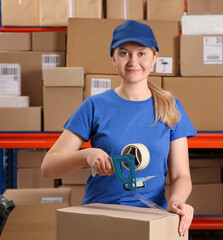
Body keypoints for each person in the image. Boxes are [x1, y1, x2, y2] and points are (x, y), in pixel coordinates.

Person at [41, 20, 197, 237]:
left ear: (155, 58)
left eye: (141, 53)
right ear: (113, 59)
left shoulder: (170, 108)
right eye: (124, 53)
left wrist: (177, 201)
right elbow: (49, 167)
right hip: (101, 219)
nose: (133, 61)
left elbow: (181, 174)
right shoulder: (94, 106)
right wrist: (86, 155)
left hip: (152, 220)